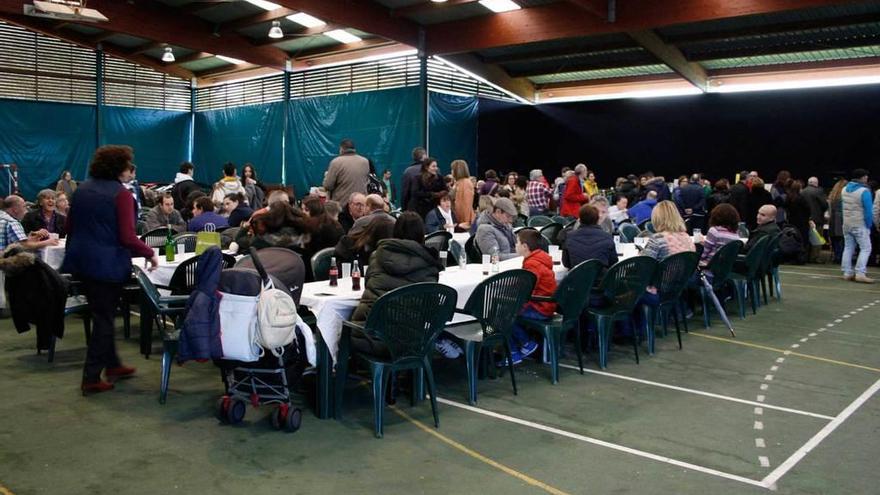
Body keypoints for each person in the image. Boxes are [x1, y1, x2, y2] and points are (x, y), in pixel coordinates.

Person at [61, 145, 156, 395]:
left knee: (102, 314)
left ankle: (113, 365)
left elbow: (70, 225)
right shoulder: (121, 195)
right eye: (128, 166)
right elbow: (127, 236)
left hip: (81, 262)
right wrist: (149, 253)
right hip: (106, 266)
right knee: (104, 319)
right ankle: (91, 378)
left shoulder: (82, 189)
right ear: (118, 168)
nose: (130, 170)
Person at [348, 212, 450, 357]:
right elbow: (430, 304)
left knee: (344, 323)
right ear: (422, 234)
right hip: (413, 339)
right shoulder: (430, 265)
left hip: (372, 337)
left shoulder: (378, 256)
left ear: (395, 231)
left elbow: (368, 285)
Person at [503, 229, 556, 365]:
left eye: (517, 243)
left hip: (540, 307)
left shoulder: (532, 264)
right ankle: (519, 346)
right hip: (546, 305)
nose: (515, 245)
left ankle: (520, 346)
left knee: (503, 315)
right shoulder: (541, 258)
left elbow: (526, 290)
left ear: (525, 246)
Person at [841, 169, 874, 283]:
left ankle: (847, 272)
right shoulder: (864, 191)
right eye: (865, 177)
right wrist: (869, 225)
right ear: (862, 178)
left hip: (846, 223)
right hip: (859, 224)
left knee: (848, 247)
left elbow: (842, 207)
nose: (867, 179)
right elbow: (868, 211)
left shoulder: (844, 189)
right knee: (866, 248)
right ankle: (860, 273)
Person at [562, 204, 617, 269]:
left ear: (580, 219)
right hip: (601, 277)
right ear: (597, 219)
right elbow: (613, 262)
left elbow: (566, 263)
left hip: (577, 276)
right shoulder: (607, 236)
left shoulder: (569, 236)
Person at [323, 138, 369, 205]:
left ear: (341, 149)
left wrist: (326, 176)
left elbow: (328, 185)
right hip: (361, 204)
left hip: (342, 205)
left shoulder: (336, 162)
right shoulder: (365, 162)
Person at [699, 204, 741, 268]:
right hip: (723, 268)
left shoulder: (714, 231)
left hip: (708, 266)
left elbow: (703, 255)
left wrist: (700, 246)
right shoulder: (736, 235)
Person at [401, 146, 427, 212]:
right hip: (430, 209)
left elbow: (405, 194)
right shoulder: (435, 170)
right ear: (424, 156)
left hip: (414, 210)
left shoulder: (408, 172)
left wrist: (404, 209)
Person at [827, 178, 847, 263]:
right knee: (841, 239)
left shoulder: (832, 196)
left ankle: (836, 256)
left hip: (833, 218)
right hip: (841, 218)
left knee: (834, 238)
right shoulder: (844, 196)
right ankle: (840, 257)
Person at [451, 159, 475, 227]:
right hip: (457, 218)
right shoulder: (457, 183)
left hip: (464, 221)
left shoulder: (466, 183)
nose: (451, 171)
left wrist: (466, 222)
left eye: (452, 169)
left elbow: (467, 204)